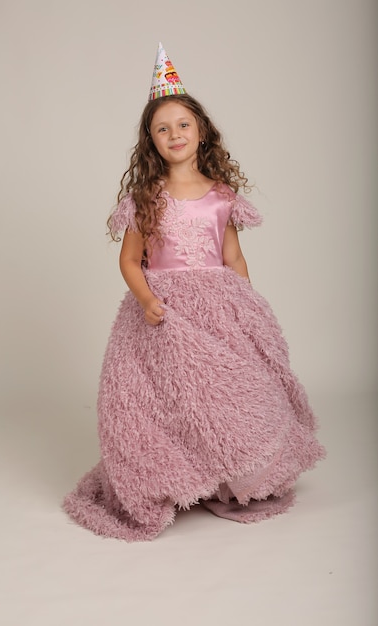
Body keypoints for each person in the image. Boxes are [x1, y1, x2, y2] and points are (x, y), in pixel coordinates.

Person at [63, 43, 326, 541]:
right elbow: (128, 259)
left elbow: (231, 257)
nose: (174, 134)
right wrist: (146, 300)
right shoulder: (146, 197)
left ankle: (231, 476)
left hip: (218, 305)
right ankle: (180, 474)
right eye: (162, 129)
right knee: (175, 397)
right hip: (166, 311)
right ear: (151, 142)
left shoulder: (223, 195)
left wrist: (246, 303)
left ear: (200, 130)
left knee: (229, 392)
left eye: (182, 124)